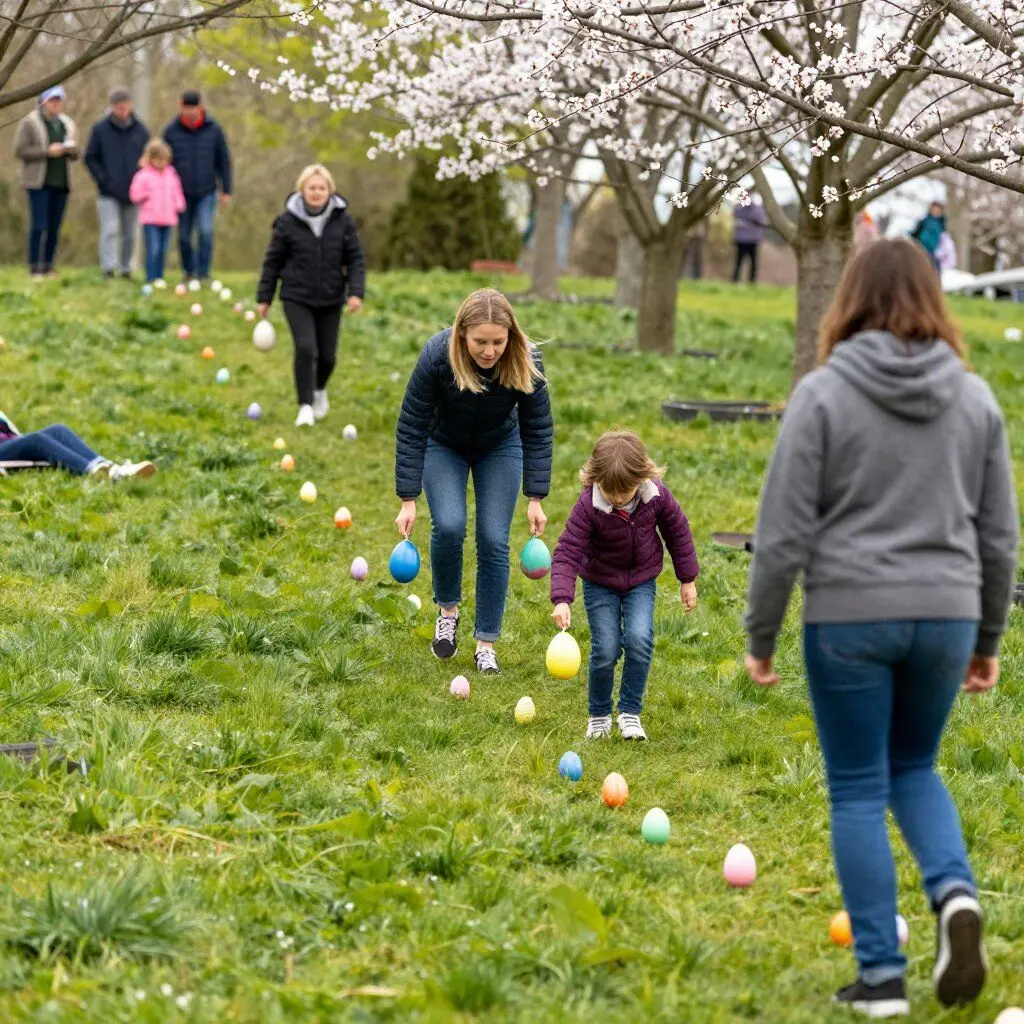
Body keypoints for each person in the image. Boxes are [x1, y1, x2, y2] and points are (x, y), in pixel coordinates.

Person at [743, 237, 1018, 1018]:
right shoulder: (975, 400)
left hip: (850, 616)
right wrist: (988, 638)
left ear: (849, 301)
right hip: (947, 614)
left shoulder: (823, 394)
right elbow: (999, 537)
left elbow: (784, 527)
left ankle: (881, 978)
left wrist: (761, 634)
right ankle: (954, 894)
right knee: (916, 766)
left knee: (859, 785)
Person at [394, 289, 553, 675]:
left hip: (500, 446)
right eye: (480, 342)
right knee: (448, 525)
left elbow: (538, 428)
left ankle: (486, 644)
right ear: (461, 334)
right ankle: (447, 612)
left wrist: (536, 496)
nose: (489, 351)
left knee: (494, 538)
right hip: (443, 445)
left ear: (510, 336)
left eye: (498, 341)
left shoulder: (525, 358)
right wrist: (408, 497)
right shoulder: (437, 355)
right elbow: (412, 425)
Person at [550, 430, 699, 741]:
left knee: (639, 639)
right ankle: (600, 715)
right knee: (605, 649)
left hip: (641, 581)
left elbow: (679, 532)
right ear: (595, 477)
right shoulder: (588, 506)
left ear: (642, 477)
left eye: (625, 490)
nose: (617, 498)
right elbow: (568, 550)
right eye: (609, 490)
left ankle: (630, 713)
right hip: (599, 583)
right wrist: (562, 598)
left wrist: (687, 579)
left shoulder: (655, 496)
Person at [257, 165, 366, 427]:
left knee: (328, 356)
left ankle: (319, 390)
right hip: (296, 296)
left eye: (322, 188)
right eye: (311, 188)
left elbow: (355, 259)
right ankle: (305, 406)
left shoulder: (343, 221)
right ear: (302, 190)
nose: (317, 192)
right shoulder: (286, 222)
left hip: (331, 297)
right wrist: (265, 297)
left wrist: (356, 292)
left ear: (330, 191)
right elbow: (272, 262)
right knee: (306, 349)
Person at [162, 89, 232, 285]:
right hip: (180, 193)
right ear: (180, 106)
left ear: (201, 108)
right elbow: (163, 163)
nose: (191, 112)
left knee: (206, 231)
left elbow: (223, 160)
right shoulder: (171, 131)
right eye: (187, 108)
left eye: (194, 108)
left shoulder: (214, 130)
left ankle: (204, 273)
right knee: (184, 235)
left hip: (206, 191)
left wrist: (226, 189)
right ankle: (189, 271)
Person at [13, 85, 79, 279]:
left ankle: (49, 265)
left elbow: (76, 153)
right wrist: (47, 152)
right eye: (53, 100)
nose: (56, 104)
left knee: (54, 227)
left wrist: (69, 150)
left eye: (59, 100)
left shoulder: (67, 124)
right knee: (39, 225)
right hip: (38, 182)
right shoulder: (30, 123)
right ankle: (35, 266)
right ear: (43, 102)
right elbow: (20, 151)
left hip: (62, 182)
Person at [84, 86, 149, 280]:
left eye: (126, 107)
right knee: (110, 229)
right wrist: (102, 180)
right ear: (112, 107)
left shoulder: (141, 130)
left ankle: (125, 268)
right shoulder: (100, 129)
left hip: (133, 191)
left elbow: (147, 159)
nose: (123, 111)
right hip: (108, 191)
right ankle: (108, 268)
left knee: (130, 234)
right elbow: (90, 158)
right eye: (119, 108)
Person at [0, 412, 156, 481]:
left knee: (58, 429)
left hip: (11, 443)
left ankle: (109, 468)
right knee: (36, 439)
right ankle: (95, 471)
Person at [130, 140, 186, 286]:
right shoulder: (143, 175)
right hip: (150, 219)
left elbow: (176, 191)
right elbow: (134, 195)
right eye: (159, 160)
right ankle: (151, 277)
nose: (162, 163)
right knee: (153, 249)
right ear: (151, 159)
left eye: (165, 160)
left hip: (168, 218)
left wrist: (179, 204)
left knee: (162, 250)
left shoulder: (171, 174)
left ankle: (159, 277)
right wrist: (145, 194)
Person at [731, 197, 767, 283]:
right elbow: (735, 217)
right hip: (742, 240)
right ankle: (736, 279)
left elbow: (760, 222)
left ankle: (751, 280)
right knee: (739, 261)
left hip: (752, 240)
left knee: (752, 262)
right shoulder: (739, 208)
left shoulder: (757, 210)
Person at [911, 200, 946, 270]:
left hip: (935, 253)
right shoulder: (924, 221)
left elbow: (944, 239)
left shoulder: (942, 224)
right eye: (934, 210)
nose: (935, 212)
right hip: (922, 249)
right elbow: (915, 234)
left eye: (937, 210)